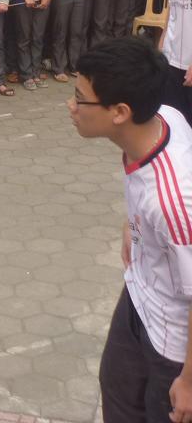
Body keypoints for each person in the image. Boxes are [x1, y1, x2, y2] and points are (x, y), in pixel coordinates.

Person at [68, 38, 192, 423]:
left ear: (120, 112)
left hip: (172, 343)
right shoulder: (164, 117)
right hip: (138, 296)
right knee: (116, 391)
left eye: (80, 99)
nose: (71, 106)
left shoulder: (173, 202)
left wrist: (188, 381)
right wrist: (133, 220)